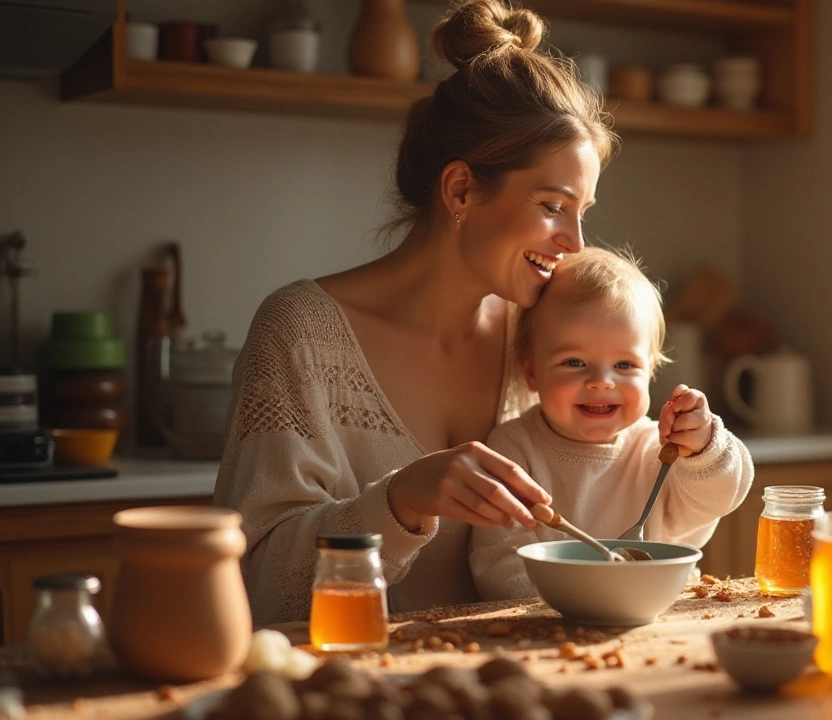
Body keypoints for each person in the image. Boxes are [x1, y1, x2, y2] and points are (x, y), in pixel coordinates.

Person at [213, 0, 617, 625]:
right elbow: (258, 587)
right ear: (460, 190)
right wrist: (398, 501)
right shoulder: (299, 333)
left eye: (581, 211)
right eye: (552, 205)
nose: (575, 241)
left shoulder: (544, 334)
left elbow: (618, 486)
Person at [469, 247, 754, 600]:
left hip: (657, 622)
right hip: (551, 625)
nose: (602, 382)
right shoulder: (513, 450)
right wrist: (567, 610)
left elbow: (721, 497)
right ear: (531, 372)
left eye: (624, 365)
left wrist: (706, 445)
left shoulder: (661, 450)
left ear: (650, 371)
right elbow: (499, 561)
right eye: (574, 362)